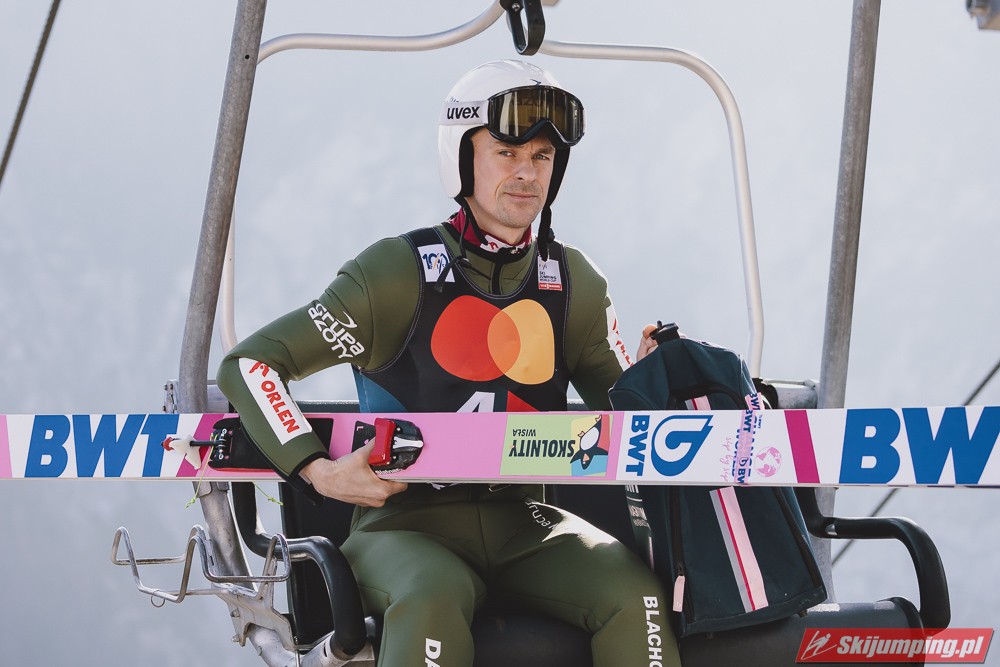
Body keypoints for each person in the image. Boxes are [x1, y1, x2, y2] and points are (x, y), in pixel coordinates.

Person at [217, 59, 679, 667]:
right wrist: (317, 471)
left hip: (527, 523)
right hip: (404, 530)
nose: (527, 172)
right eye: (507, 152)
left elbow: (625, 417)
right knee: (432, 595)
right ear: (461, 158)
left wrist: (653, 379)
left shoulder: (574, 284)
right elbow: (250, 365)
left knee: (637, 597)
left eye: (542, 157)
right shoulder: (395, 273)